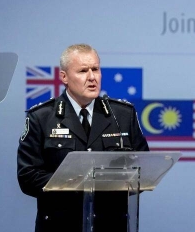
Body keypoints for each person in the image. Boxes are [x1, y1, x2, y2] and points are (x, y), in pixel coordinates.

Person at [17, 44, 149, 232]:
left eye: (95, 69)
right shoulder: (42, 117)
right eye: (83, 71)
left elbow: (143, 169)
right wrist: (78, 183)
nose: (92, 77)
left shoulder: (122, 115)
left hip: (110, 224)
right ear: (64, 77)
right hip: (60, 224)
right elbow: (28, 177)